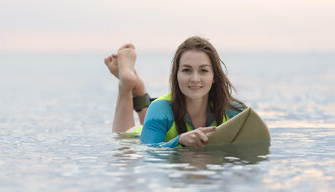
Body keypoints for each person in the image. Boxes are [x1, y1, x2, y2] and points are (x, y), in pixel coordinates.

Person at [104, 36, 246, 148]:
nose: (195, 78)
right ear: (176, 74)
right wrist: (180, 141)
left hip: (160, 126)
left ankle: (140, 90)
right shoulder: (159, 109)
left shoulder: (235, 112)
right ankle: (126, 85)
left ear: (214, 76)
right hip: (145, 135)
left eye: (203, 70)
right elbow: (148, 152)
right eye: (186, 70)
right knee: (122, 141)